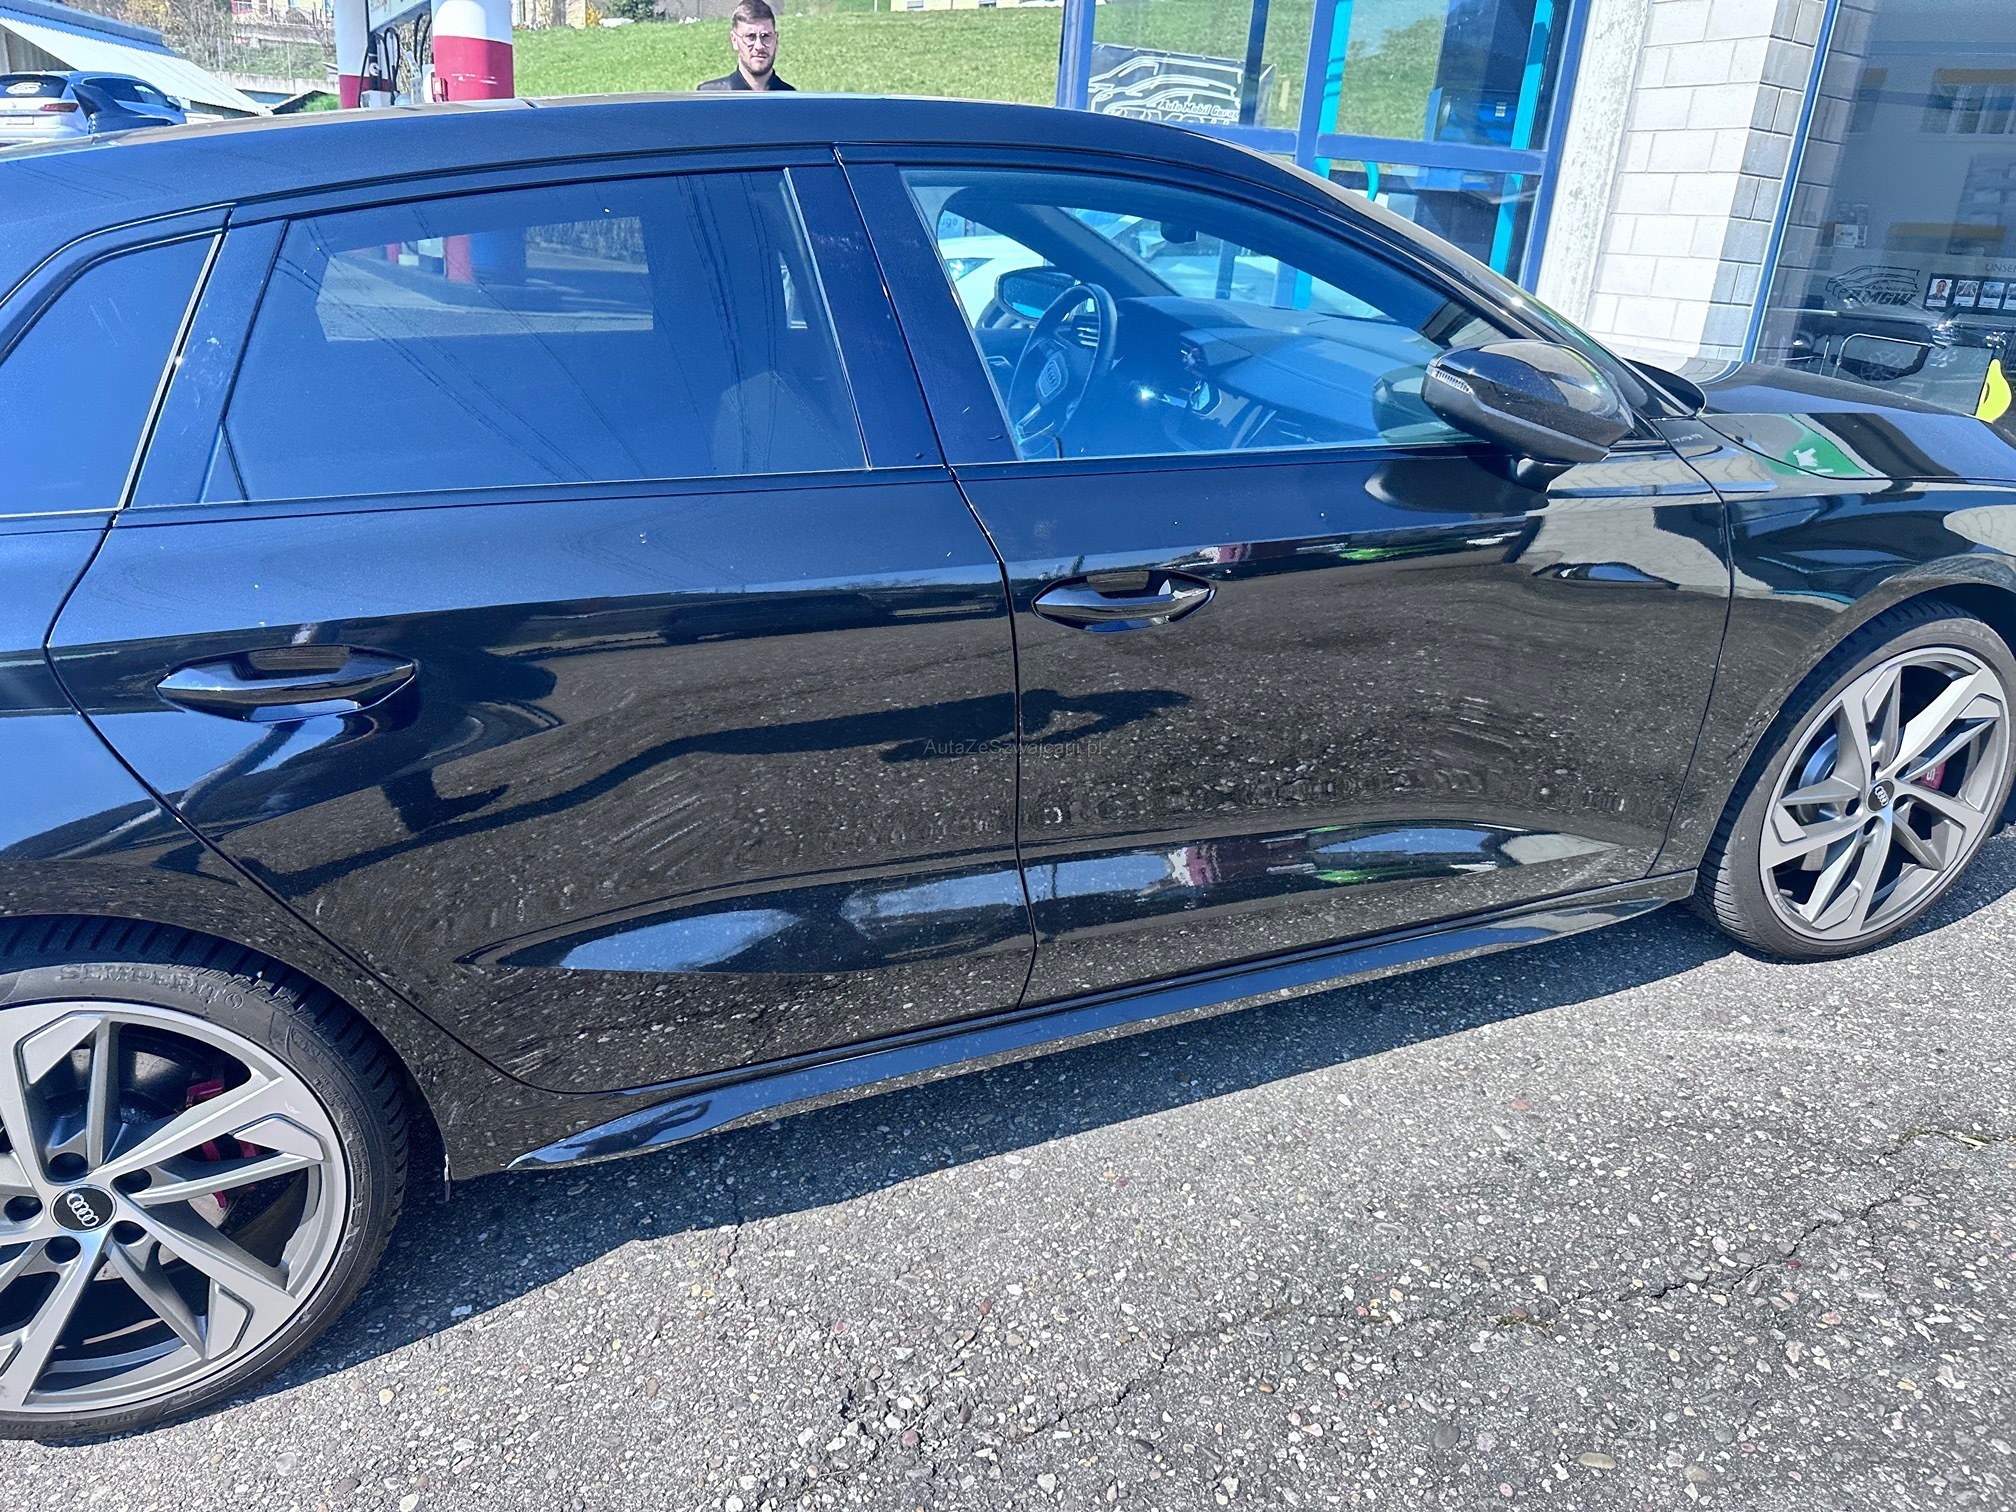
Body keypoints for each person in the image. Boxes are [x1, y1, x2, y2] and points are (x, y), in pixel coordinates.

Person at [696, 0, 795, 93]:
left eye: (765, 36)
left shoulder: (791, 98)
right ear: (734, 40)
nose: (759, 46)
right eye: (750, 37)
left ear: (776, 40)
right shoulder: (711, 96)